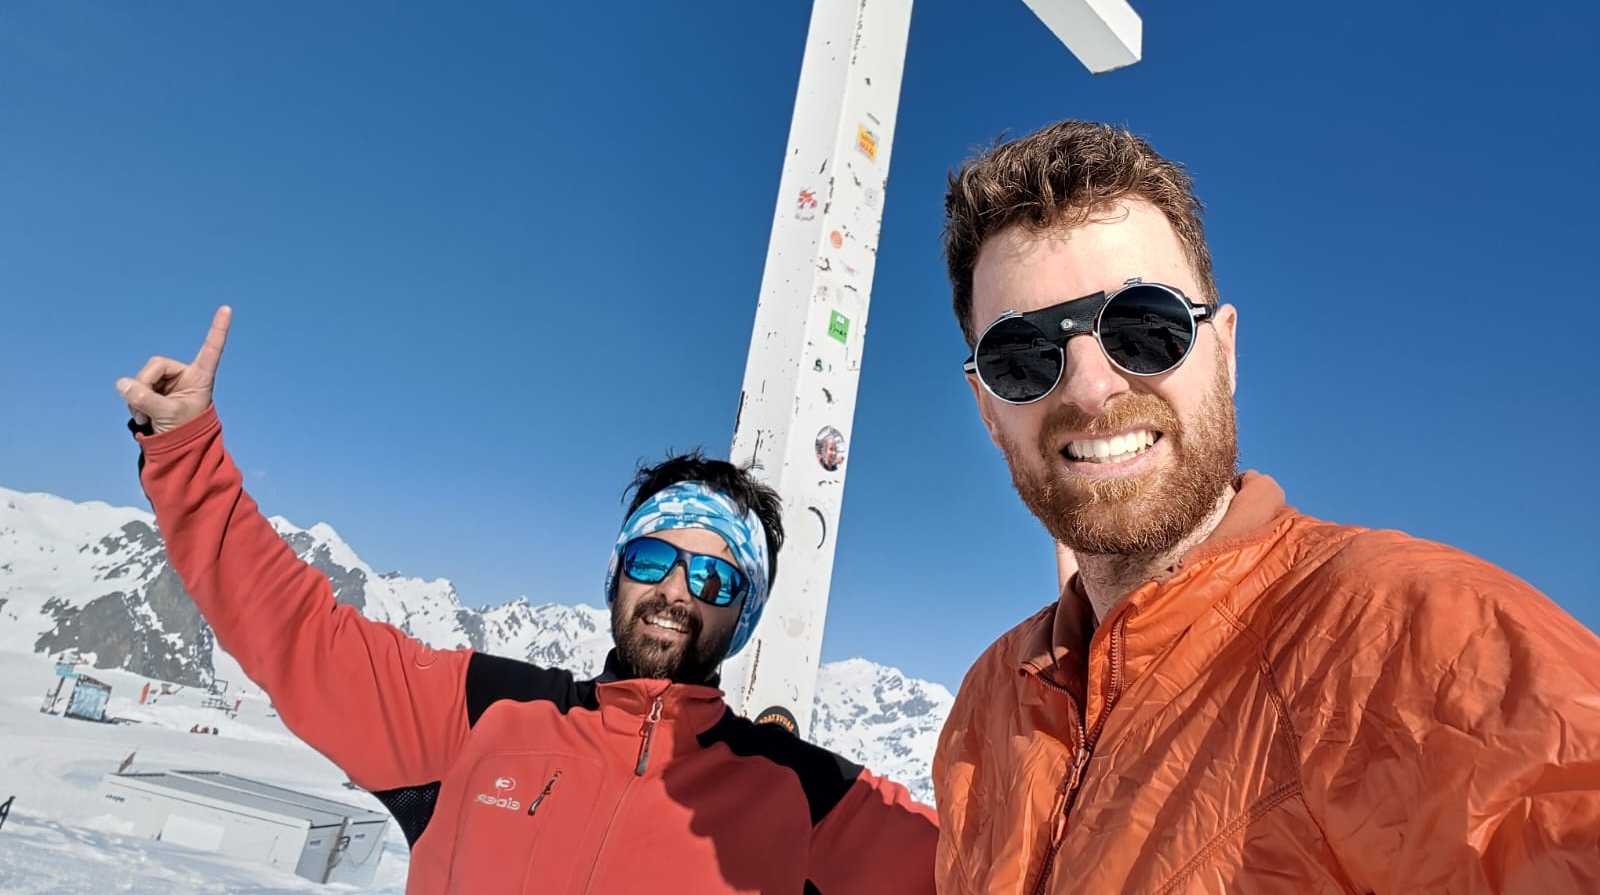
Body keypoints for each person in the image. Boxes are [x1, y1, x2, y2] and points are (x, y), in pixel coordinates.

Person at [932, 120, 1600, 892]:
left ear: (1224, 347)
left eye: (1143, 327)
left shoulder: (1418, 633)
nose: (1091, 387)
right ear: (987, 409)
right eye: (1024, 357)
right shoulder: (987, 708)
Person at [116, 309, 936, 895]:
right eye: (656, 557)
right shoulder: (483, 714)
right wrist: (185, 451)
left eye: (718, 579)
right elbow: (299, 637)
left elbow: (1005, 866)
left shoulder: (812, 797)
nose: (678, 591)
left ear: (743, 618)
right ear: (618, 572)